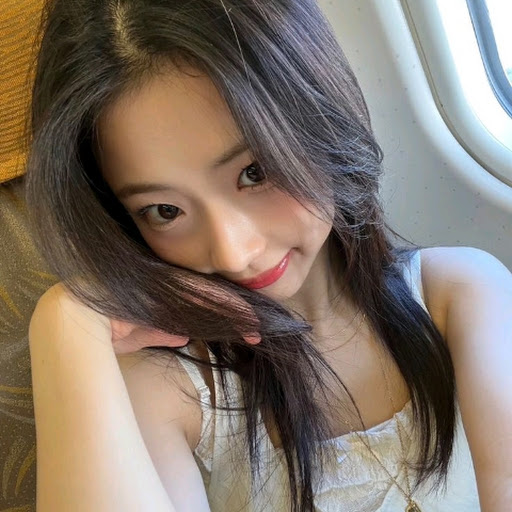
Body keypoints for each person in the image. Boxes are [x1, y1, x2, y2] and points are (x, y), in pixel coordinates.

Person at [25, 1, 512, 511]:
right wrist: (64, 322)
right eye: (165, 211)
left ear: (317, 118)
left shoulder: (458, 295)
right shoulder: (172, 390)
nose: (234, 252)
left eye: (254, 172)